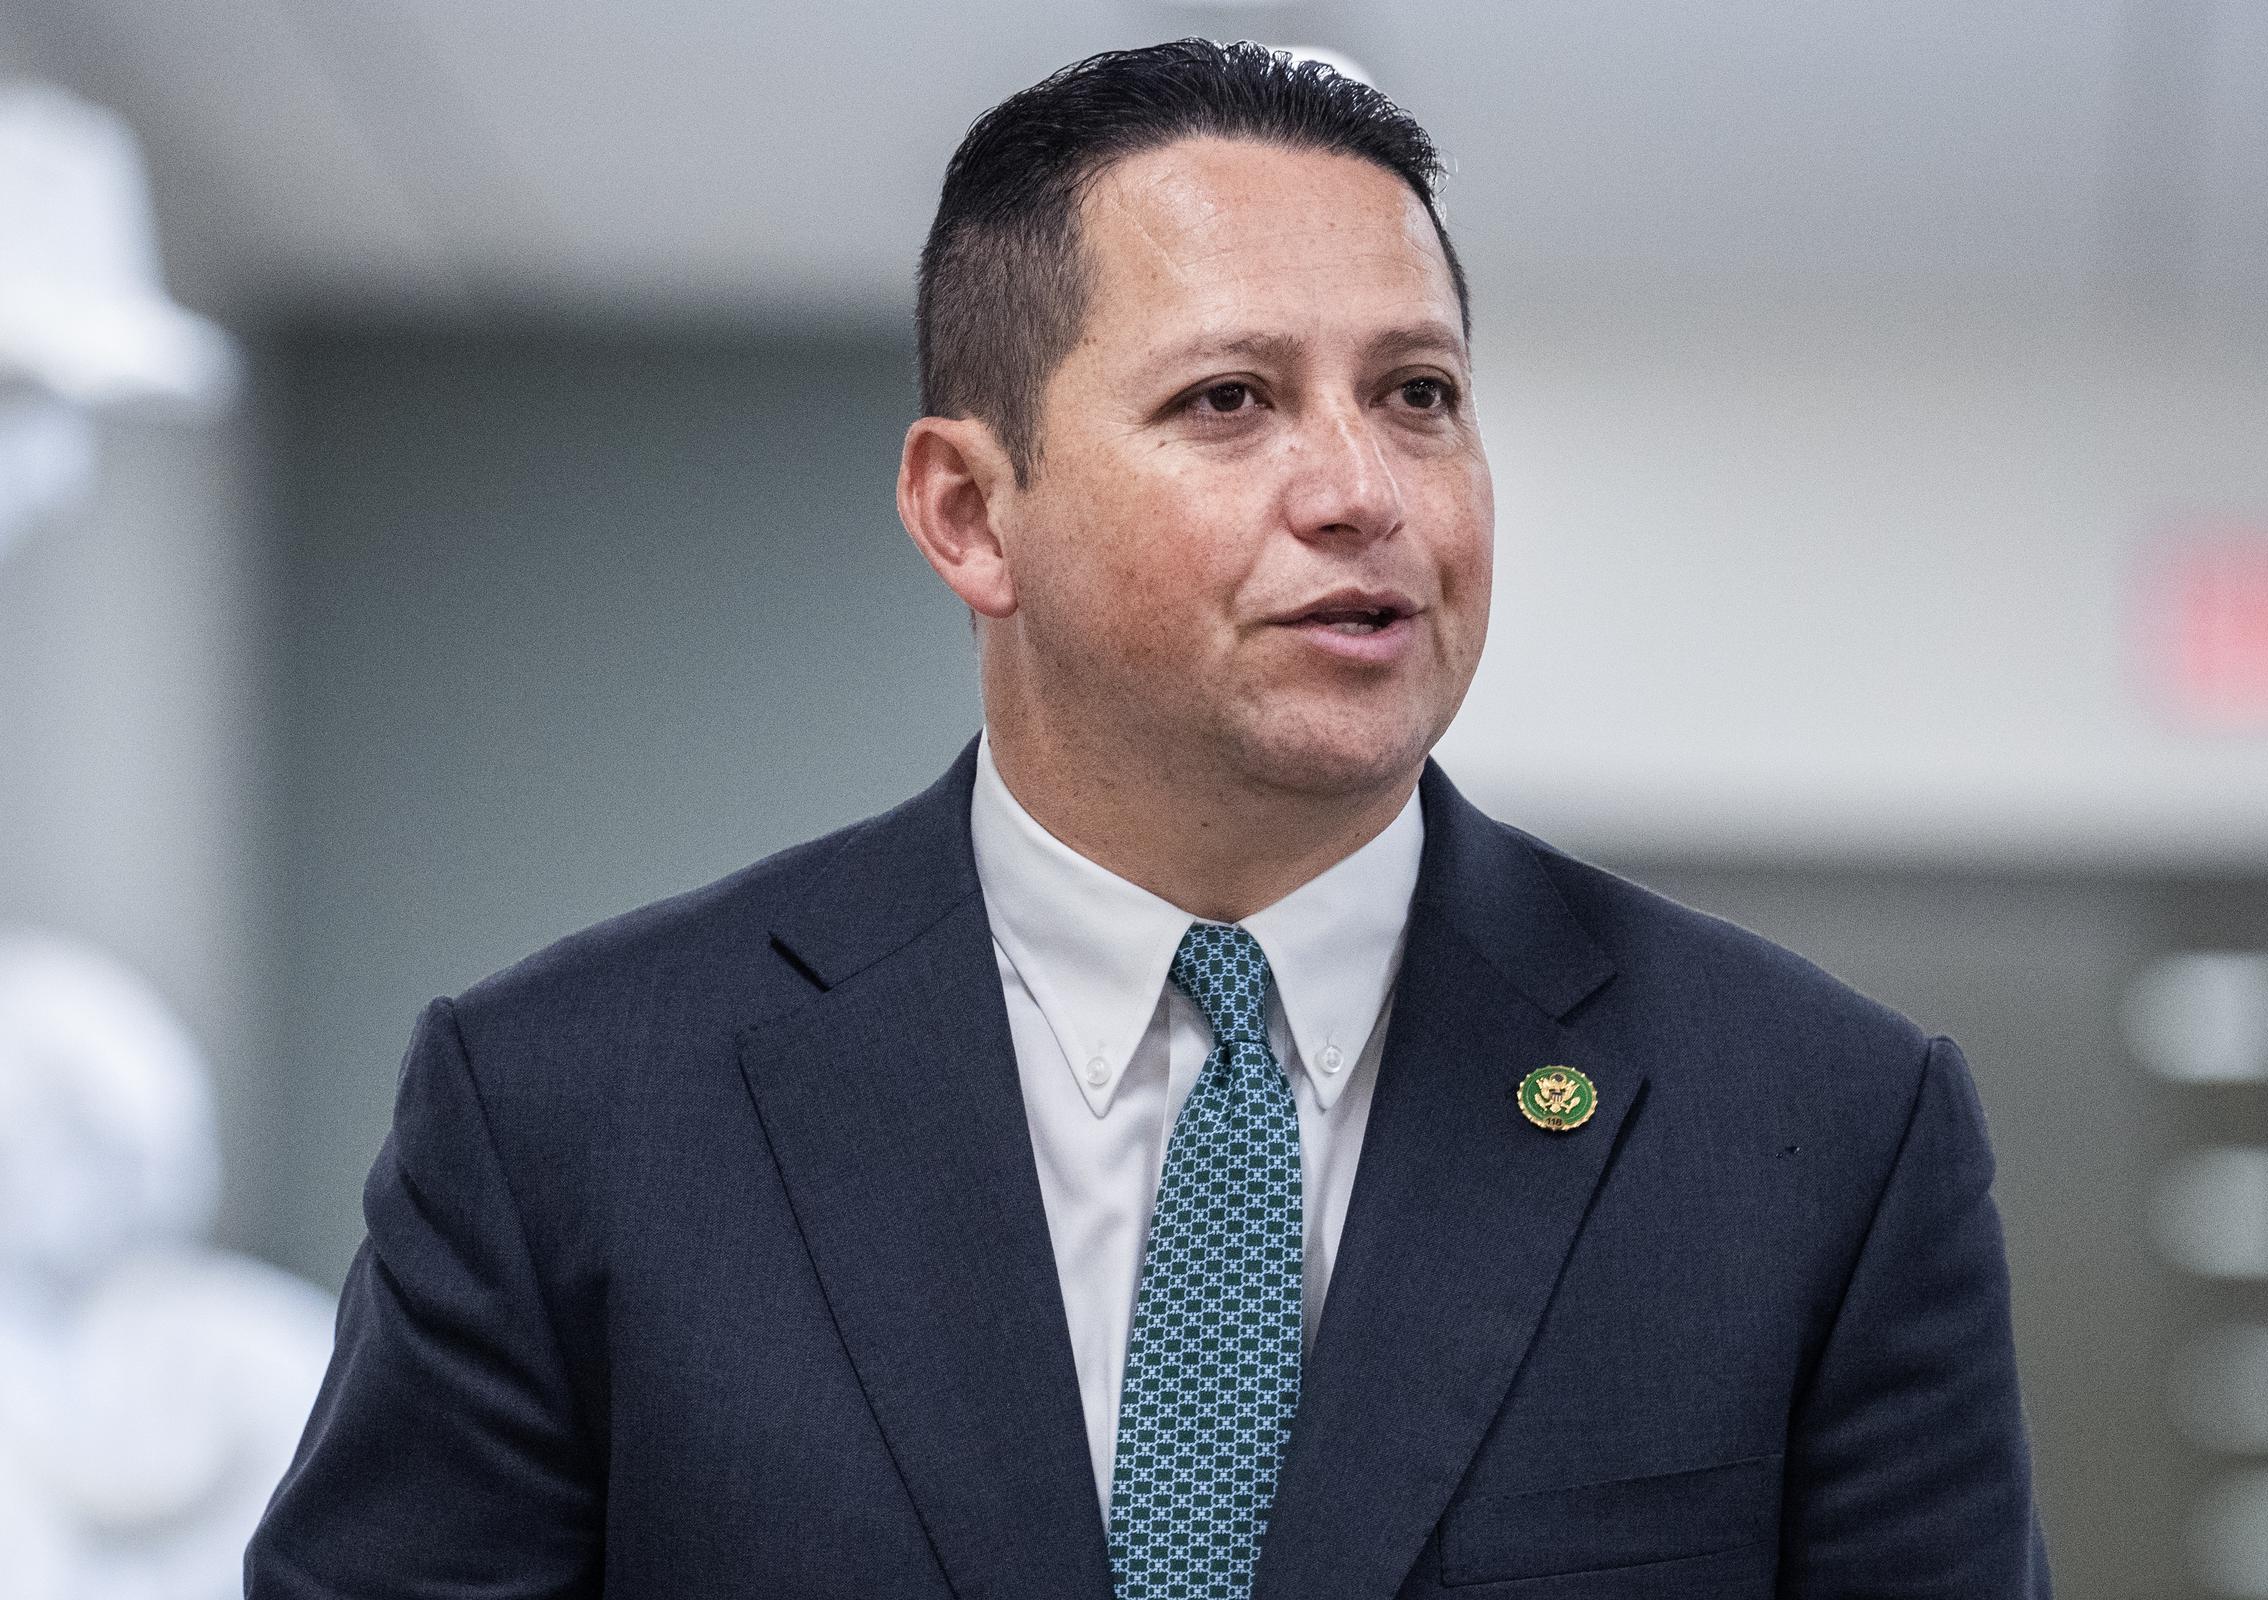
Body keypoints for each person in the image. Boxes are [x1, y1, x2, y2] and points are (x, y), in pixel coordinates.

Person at [247, 39, 2050, 1600]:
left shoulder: (1816, 1131)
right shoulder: (572, 1110)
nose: (1360, 491)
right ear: (970, 511)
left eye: (1417, 396)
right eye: (1231, 401)